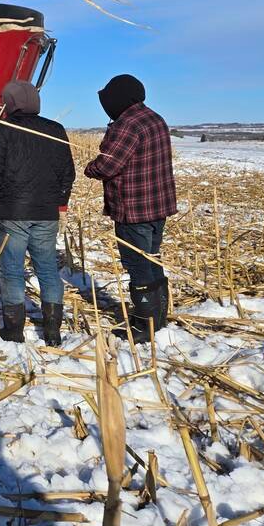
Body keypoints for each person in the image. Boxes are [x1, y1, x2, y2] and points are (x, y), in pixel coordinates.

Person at [0, 80, 75, 346]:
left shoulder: (3, 129)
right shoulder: (55, 130)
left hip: (13, 214)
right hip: (46, 214)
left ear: (10, 103)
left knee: (13, 271)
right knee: (48, 269)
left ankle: (14, 331)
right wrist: (61, 204)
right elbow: (68, 174)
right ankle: (53, 332)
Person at [84, 74, 177, 344]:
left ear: (118, 100)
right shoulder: (154, 118)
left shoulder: (127, 125)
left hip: (134, 209)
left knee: (137, 264)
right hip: (157, 207)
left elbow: (108, 166)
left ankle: (144, 324)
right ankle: (158, 317)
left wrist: (91, 168)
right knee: (152, 259)